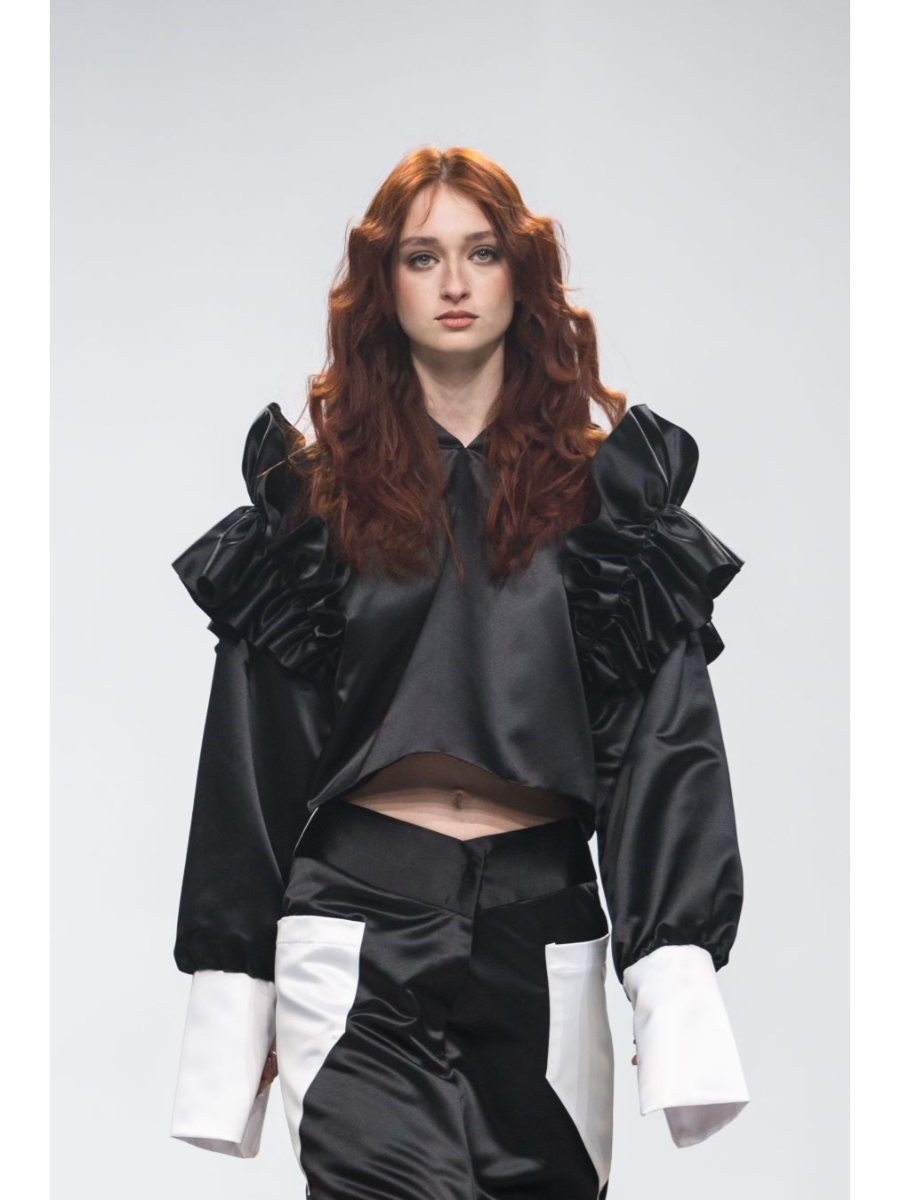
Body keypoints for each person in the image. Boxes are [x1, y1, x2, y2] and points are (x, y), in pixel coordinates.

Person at [167, 146, 751, 1199]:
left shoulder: (607, 510)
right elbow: (253, 757)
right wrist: (234, 998)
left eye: (481, 253)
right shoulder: (319, 503)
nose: (453, 282)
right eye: (421, 256)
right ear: (382, 286)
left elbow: (663, 751)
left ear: (522, 277)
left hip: (544, 930)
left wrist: (672, 984)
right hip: (358, 929)